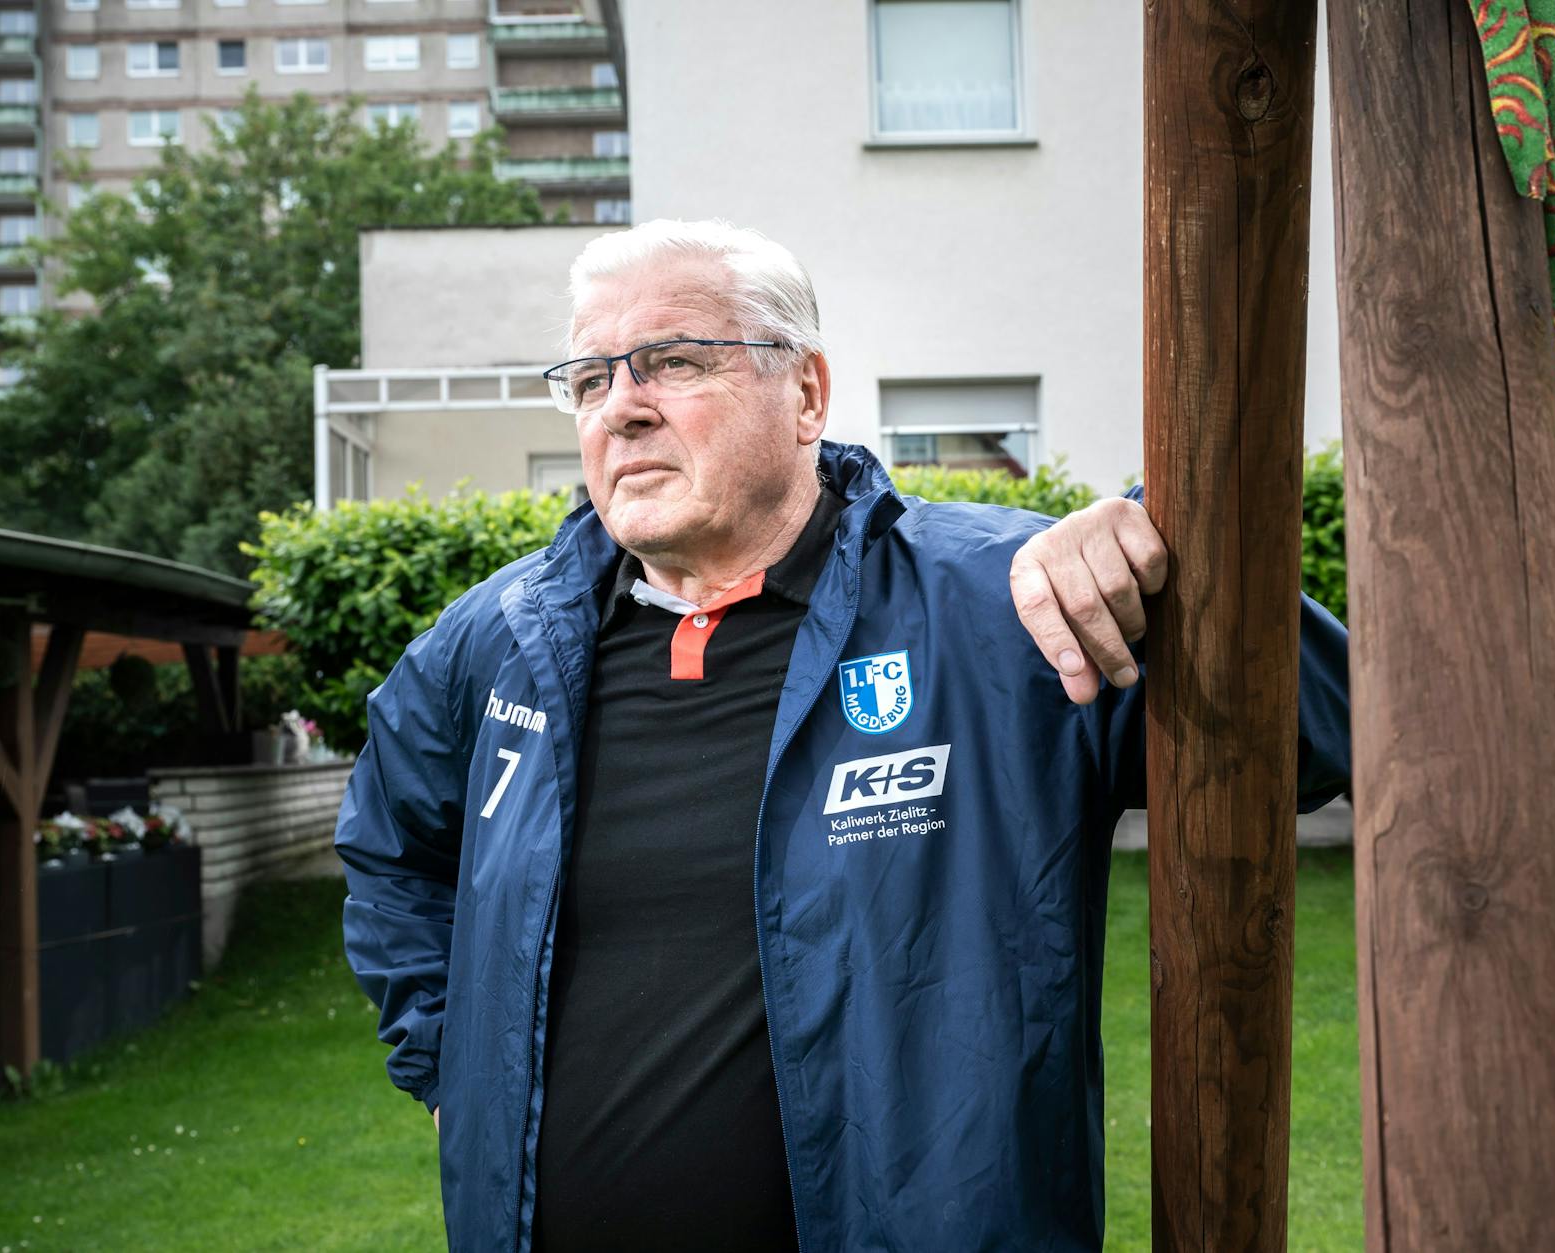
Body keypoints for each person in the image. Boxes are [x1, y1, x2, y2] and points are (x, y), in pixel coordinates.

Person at [337, 219, 1350, 1252]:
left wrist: (1172, 566)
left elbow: (1323, 733)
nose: (622, 407)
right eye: (590, 378)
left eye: (672, 361)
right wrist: (449, 1063)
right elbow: (389, 847)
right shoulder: (498, 638)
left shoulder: (1000, 601)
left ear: (807, 395)